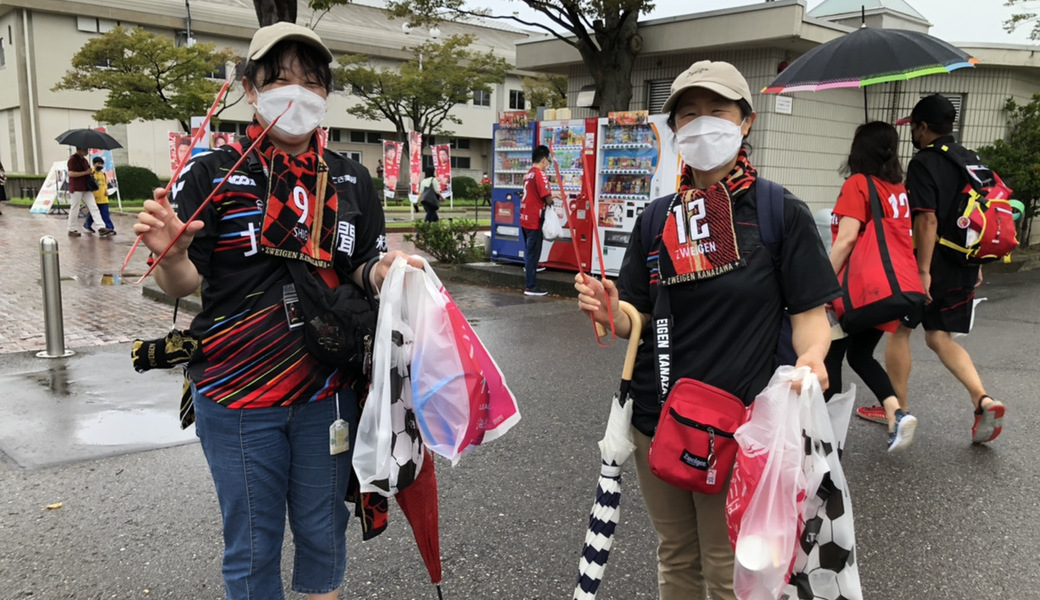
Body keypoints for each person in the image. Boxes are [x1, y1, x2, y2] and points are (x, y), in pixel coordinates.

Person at [133, 22, 422, 600]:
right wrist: (173, 251)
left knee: (323, 535)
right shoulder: (212, 173)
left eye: (312, 82)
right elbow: (184, 278)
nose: (298, 93)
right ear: (248, 86)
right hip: (237, 395)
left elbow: (360, 264)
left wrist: (383, 270)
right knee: (254, 545)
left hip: (328, 395)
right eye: (281, 79)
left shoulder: (350, 178)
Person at [575, 60, 838, 600]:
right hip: (659, 418)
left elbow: (813, 320)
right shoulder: (656, 218)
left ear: (746, 122)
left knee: (728, 565)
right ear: (675, 130)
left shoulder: (777, 214)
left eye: (716, 111)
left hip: (740, 424)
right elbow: (636, 317)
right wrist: (611, 311)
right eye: (687, 115)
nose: (702, 124)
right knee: (675, 556)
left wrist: (813, 358)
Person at [878, 93, 1005, 444]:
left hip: (931, 264)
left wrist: (922, 271)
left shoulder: (925, 162)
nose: (912, 135)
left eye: (914, 128)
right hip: (966, 263)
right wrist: (977, 261)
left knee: (900, 332)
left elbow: (928, 219)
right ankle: (983, 399)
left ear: (922, 127)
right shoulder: (973, 160)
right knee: (938, 336)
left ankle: (898, 411)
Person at [824, 122, 916, 451]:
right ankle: (896, 412)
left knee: (831, 358)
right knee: (860, 354)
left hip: (854, 291)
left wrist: (821, 286)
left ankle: (824, 437)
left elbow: (846, 239)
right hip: (890, 291)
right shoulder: (897, 190)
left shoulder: (858, 184)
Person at [520, 145, 560, 296]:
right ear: (543, 160)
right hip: (534, 219)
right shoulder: (540, 174)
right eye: (548, 161)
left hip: (524, 217)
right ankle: (531, 286)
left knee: (529, 251)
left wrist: (551, 195)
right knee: (533, 253)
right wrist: (552, 200)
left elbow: (533, 194)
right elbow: (546, 197)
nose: (548, 164)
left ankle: (532, 268)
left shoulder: (528, 174)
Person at [66, 147, 110, 237]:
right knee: (75, 207)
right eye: (85, 149)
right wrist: (85, 173)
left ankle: (101, 227)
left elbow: (87, 172)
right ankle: (71, 228)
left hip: (86, 187)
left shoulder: (85, 160)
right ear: (80, 149)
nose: (87, 151)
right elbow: (71, 174)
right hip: (76, 187)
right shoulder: (72, 160)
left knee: (93, 206)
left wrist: (90, 173)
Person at [84, 156, 116, 236]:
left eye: (101, 164)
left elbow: (105, 184)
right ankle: (87, 225)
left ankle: (109, 227)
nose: (100, 165)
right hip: (94, 197)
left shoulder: (103, 174)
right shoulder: (91, 173)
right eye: (98, 163)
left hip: (104, 198)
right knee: (93, 214)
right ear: (94, 164)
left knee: (105, 213)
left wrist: (106, 191)